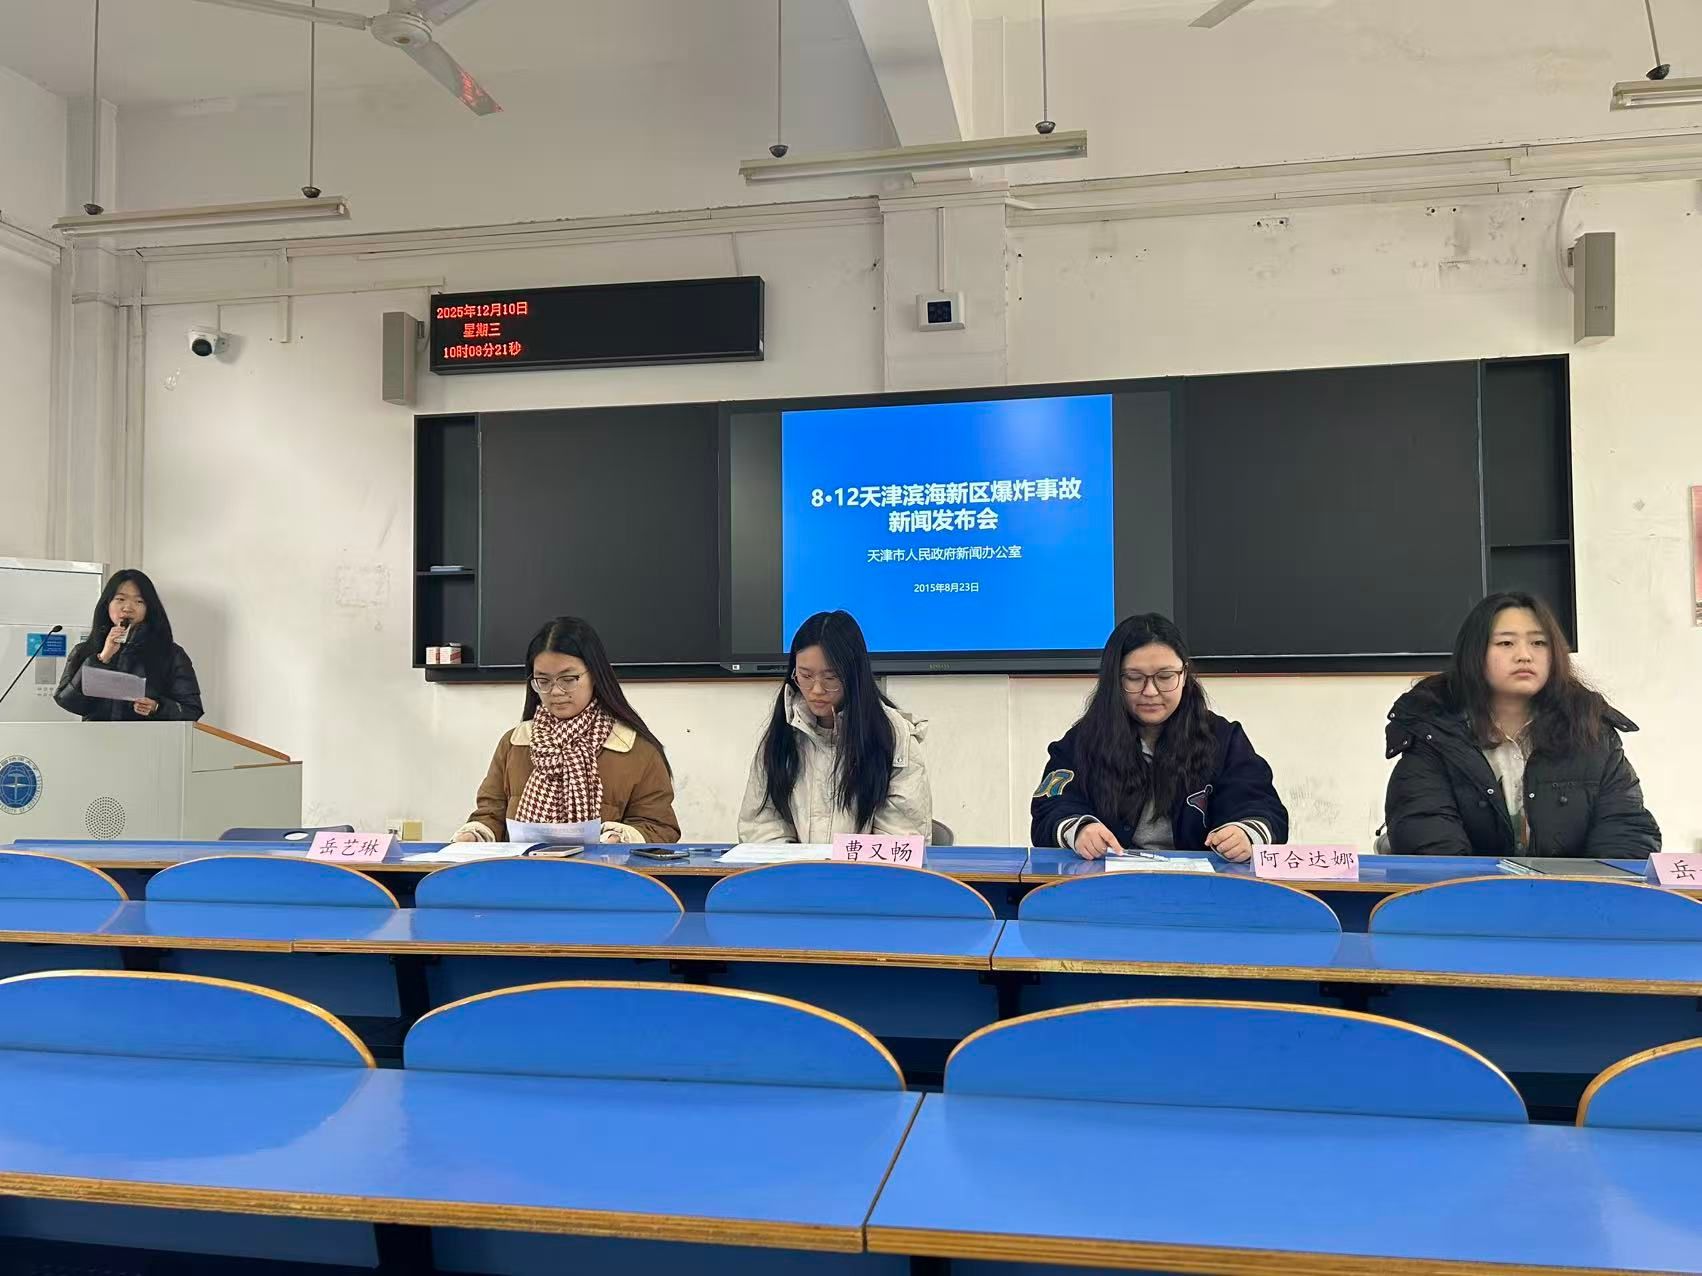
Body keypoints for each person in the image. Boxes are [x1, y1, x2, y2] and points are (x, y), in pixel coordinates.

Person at [1384, 592, 1660, 858]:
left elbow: (1626, 832)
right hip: (1467, 889)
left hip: (1572, 890)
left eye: (1539, 643)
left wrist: (1583, 887)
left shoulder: (1590, 729)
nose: (1524, 655)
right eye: (1506, 643)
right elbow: (1427, 837)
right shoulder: (1433, 731)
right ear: (1474, 653)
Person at [1031, 613, 1287, 861]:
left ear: (1184, 675)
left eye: (1165, 677)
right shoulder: (1083, 740)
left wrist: (1244, 833)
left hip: (1200, 883)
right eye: (1134, 678)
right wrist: (1080, 830)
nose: (1151, 691)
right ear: (1114, 681)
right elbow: (1050, 804)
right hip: (1109, 880)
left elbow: (1262, 805)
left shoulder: (1223, 739)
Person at [453, 617, 679, 844]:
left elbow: (660, 827)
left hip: (601, 866)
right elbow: (490, 814)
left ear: (595, 675)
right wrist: (474, 835)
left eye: (568, 679)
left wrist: (620, 840)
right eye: (543, 681)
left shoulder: (636, 750)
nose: (556, 691)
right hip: (525, 865)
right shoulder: (515, 743)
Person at [737, 610, 932, 843]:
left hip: (864, 868)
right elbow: (761, 829)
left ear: (854, 676)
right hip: (793, 868)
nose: (816, 690)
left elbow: (900, 840)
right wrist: (798, 864)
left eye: (830, 678)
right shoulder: (782, 735)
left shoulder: (895, 739)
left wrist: (837, 865)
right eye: (805, 676)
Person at [55, 570, 203, 723]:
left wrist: (157, 707)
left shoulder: (171, 653)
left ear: (149, 608)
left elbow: (192, 710)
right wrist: (102, 658)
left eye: (139, 601)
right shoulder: (85, 650)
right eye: (120, 599)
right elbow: (67, 702)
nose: (128, 607)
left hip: (148, 737)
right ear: (107, 604)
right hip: (97, 737)